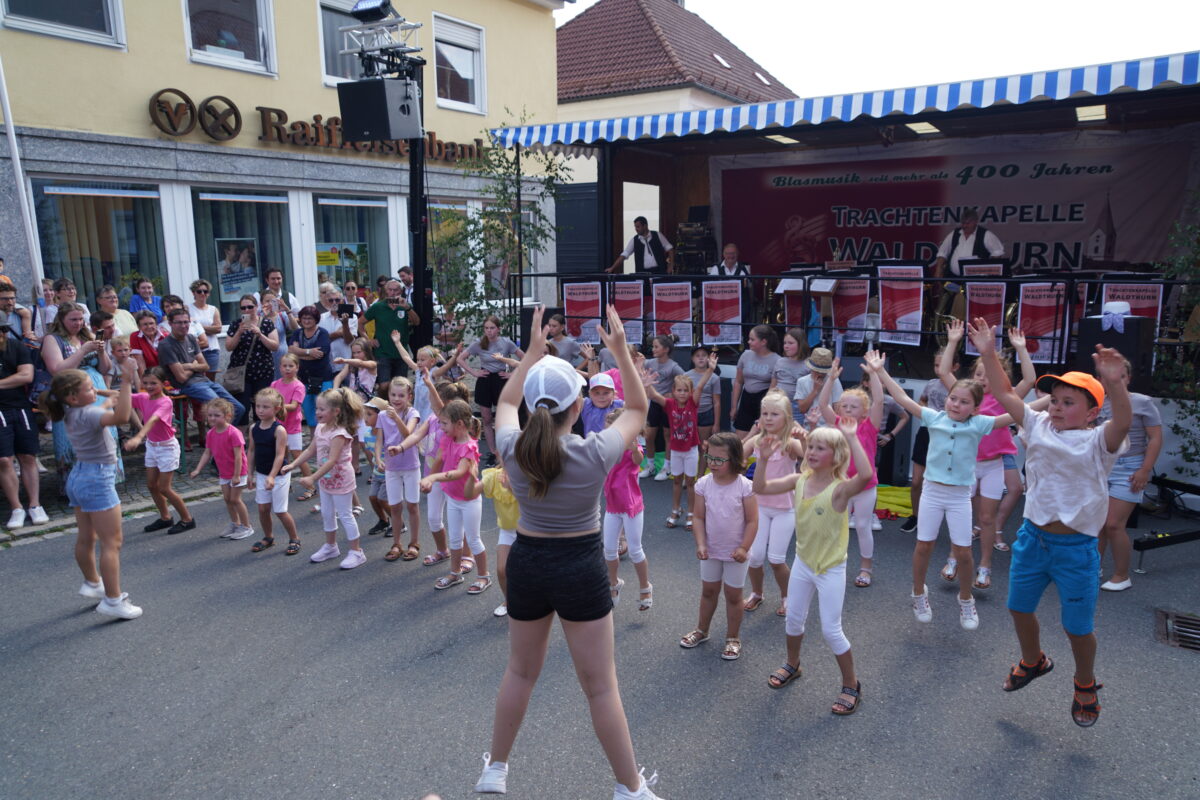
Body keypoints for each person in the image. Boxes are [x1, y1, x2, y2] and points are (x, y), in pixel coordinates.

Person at [475, 305, 662, 800]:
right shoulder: (594, 451)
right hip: (580, 564)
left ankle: (495, 770)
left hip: (529, 563)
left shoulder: (512, 448)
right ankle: (631, 789)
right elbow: (639, 411)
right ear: (578, 408)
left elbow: (506, 402)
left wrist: (533, 353)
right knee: (600, 687)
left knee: (519, 672)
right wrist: (620, 352)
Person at [971, 319, 1130, 728]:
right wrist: (989, 353)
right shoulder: (1037, 425)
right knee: (1018, 608)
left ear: (1092, 411)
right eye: (1055, 399)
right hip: (1033, 539)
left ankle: (1084, 682)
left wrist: (1114, 384)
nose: (1056, 407)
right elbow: (1006, 393)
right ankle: (1033, 660)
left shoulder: (1099, 442)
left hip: (1076, 549)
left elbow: (1123, 424)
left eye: (1068, 402)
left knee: (1077, 628)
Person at [864, 348, 1016, 632]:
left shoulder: (980, 423)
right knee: (924, 546)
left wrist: (1052, 401)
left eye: (963, 402)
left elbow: (1018, 413)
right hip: (933, 493)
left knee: (964, 553)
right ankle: (918, 594)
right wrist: (880, 370)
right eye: (953, 398)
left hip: (959, 496)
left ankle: (966, 597)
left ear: (975, 408)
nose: (955, 404)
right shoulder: (934, 418)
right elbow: (901, 397)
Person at [752, 419, 874, 715]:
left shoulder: (840, 490)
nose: (813, 451)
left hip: (831, 569)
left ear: (837, 456)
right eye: (812, 446)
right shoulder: (799, 480)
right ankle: (793, 664)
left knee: (832, 631)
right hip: (804, 564)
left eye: (822, 448)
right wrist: (764, 460)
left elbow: (867, 474)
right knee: (793, 620)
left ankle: (851, 683)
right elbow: (761, 488)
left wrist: (851, 436)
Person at [936, 320, 1035, 588]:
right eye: (978, 374)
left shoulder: (1007, 398)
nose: (982, 379)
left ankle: (985, 566)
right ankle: (954, 557)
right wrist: (954, 341)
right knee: (962, 515)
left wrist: (1021, 349)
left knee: (987, 518)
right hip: (966, 467)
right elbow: (945, 372)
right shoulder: (966, 399)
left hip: (993, 466)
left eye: (988, 374)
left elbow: (1030, 380)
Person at [41, 360, 143, 619]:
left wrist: (103, 396)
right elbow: (121, 417)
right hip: (97, 479)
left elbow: (102, 408)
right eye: (90, 387)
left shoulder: (73, 411)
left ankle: (93, 583)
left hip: (79, 477)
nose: (95, 388)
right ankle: (113, 600)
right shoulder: (89, 413)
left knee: (87, 537)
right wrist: (127, 382)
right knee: (112, 543)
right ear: (73, 396)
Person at [680, 431, 758, 662]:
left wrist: (744, 548)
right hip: (711, 550)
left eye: (719, 459)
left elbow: (753, 520)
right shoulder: (703, 484)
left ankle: (733, 638)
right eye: (709, 457)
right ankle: (701, 630)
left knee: (734, 596)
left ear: (734, 459)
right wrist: (701, 543)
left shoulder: (745, 486)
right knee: (708, 591)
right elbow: (699, 517)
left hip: (736, 553)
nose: (712, 463)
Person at [817, 359, 885, 588]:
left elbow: (879, 401)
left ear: (864, 411)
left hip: (865, 486)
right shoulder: (835, 423)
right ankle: (834, 562)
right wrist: (831, 378)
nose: (847, 409)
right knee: (836, 525)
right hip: (841, 484)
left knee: (863, 526)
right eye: (844, 406)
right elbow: (823, 402)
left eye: (853, 407)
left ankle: (866, 567)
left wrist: (874, 374)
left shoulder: (869, 425)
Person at [283, 388, 366, 569]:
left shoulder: (339, 434)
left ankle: (357, 552)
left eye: (322, 409)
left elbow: (332, 460)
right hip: (326, 479)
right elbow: (310, 450)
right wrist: (293, 464)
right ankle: (331, 547)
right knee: (327, 513)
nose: (317, 412)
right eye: (317, 408)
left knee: (345, 515)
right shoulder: (321, 428)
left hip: (341, 479)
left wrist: (312, 477)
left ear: (336, 411)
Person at [1098, 358, 1162, 592]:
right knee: (1096, 524)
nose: (1115, 380)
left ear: (1128, 378)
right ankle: (1093, 568)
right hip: (1102, 466)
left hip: (1130, 468)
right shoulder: (1098, 403)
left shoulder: (1142, 402)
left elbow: (1155, 438)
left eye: (1121, 375)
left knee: (1114, 524)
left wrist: (1144, 469)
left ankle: (1121, 575)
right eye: (1108, 376)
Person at [42, 303, 121, 485]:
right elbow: (57, 370)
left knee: (103, 432)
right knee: (76, 438)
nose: (78, 323)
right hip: (71, 391)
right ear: (61, 320)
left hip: (96, 388)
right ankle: (77, 482)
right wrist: (84, 350)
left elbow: (105, 368)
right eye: (73, 319)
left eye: (80, 319)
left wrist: (101, 352)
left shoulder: (86, 335)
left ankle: (108, 478)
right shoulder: (52, 339)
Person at [742, 389, 803, 616]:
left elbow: (810, 458)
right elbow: (737, 454)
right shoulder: (757, 440)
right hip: (759, 507)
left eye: (774, 414)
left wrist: (806, 435)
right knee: (755, 558)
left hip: (785, 509)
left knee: (776, 559)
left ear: (786, 418)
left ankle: (787, 596)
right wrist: (750, 433)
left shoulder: (790, 443)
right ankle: (757, 593)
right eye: (764, 413)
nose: (768, 418)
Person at [421, 398, 490, 593]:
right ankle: (455, 573)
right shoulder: (448, 438)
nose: (440, 426)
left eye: (444, 423)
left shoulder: (470, 447)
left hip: (469, 501)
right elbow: (441, 458)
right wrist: (430, 480)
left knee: (474, 539)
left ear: (459, 424)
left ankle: (484, 576)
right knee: (454, 539)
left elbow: (460, 473)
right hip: (453, 498)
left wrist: (433, 477)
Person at [643, 366, 715, 531]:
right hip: (675, 450)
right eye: (679, 390)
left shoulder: (693, 403)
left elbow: (701, 386)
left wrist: (710, 369)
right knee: (676, 481)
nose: (682, 393)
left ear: (690, 392)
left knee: (690, 482)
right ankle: (675, 510)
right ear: (673, 391)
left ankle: (691, 512)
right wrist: (647, 384)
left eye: (685, 390)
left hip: (690, 450)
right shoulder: (669, 404)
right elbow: (653, 395)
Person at [126, 367, 195, 535]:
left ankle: (187, 519)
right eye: (146, 383)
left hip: (167, 448)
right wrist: (95, 390)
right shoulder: (143, 397)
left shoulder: (166, 402)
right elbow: (119, 397)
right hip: (152, 446)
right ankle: (165, 517)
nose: (149, 386)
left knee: (164, 488)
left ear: (163, 384)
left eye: (153, 383)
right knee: (151, 485)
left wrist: (138, 437)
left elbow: (153, 420)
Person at [0, 282, 47, 528]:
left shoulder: (15, 346)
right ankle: (16, 508)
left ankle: (35, 504)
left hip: (19, 406)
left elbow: (26, 376)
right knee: (4, 460)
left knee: (27, 456)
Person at [899, 344, 957, 534]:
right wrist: (924, 411)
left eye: (942, 365)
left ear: (954, 366)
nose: (938, 369)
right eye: (936, 365)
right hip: (926, 432)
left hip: (946, 436)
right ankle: (915, 516)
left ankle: (934, 518)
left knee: (938, 481)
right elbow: (922, 400)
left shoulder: (958, 387)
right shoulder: (931, 383)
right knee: (916, 481)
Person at [602, 408, 652, 611]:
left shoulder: (635, 448)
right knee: (608, 549)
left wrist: (632, 448)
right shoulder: (606, 449)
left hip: (631, 506)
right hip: (612, 505)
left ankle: (645, 586)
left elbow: (639, 459)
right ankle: (614, 583)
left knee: (635, 550)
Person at [159, 308, 245, 421]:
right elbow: (181, 378)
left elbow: (205, 366)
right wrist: (195, 365)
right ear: (170, 324)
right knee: (220, 410)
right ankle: (217, 436)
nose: (183, 325)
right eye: (179, 322)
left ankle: (223, 436)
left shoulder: (191, 338)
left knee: (239, 408)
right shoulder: (166, 345)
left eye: (186, 322)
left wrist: (188, 366)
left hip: (205, 381)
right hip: (189, 386)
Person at [460, 315, 522, 468]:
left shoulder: (506, 342)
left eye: (492, 328)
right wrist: (474, 373)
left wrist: (511, 374)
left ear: (498, 329)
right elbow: (460, 359)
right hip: (485, 379)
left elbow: (524, 358)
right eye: (486, 328)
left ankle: (505, 451)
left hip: (500, 380)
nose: (489, 331)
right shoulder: (479, 343)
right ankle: (493, 452)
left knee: (502, 419)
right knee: (486, 419)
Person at [246, 387, 301, 555]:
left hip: (279, 476)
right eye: (258, 406)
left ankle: (294, 538)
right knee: (263, 509)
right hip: (262, 474)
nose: (260, 410)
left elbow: (279, 456)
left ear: (276, 409)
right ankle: (268, 537)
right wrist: (249, 473)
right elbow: (252, 451)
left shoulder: (279, 430)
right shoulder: (254, 428)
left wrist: (272, 476)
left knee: (280, 510)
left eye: (265, 407)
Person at [189, 398, 252, 540]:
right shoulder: (211, 433)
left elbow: (238, 457)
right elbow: (207, 452)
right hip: (224, 472)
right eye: (210, 415)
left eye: (217, 415)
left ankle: (246, 527)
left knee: (235, 499)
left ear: (227, 416)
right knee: (227, 499)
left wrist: (236, 475)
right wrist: (198, 469)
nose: (212, 418)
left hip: (238, 471)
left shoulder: (234, 433)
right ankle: (235, 523)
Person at [379, 376, 423, 563]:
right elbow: (380, 438)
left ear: (409, 396)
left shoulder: (413, 413)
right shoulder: (382, 415)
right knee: (395, 507)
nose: (396, 399)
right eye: (393, 395)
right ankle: (397, 543)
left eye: (401, 395)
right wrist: (376, 458)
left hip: (410, 466)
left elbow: (408, 434)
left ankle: (414, 543)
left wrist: (396, 417)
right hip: (391, 467)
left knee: (412, 505)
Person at [470, 458, 519, 618]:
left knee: (529, 572)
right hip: (507, 530)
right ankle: (508, 601)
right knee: (501, 569)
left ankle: (533, 603)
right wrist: (471, 477)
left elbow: (531, 503)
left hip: (528, 532)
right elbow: (470, 493)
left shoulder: (528, 476)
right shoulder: (494, 476)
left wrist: (511, 487)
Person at [225, 295, 280, 428]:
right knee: (241, 407)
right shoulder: (235, 324)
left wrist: (260, 334)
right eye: (243, 308)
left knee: (261, 407)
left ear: (256, 307)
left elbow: (275, 346)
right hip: (241, 373)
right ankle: (241, 441)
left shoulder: (266, 323)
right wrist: (238, 332)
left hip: (262, 371)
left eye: (250, 307)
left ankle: (259, 438)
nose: (247, 310)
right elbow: (228, 347)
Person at [638, 335, 684, 480]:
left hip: (668, 405)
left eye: (656, 346)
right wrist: (638, 364)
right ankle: (650, 466)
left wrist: (674, 393)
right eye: (653, 346)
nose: (653, 349)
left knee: (667, 436)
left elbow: (685, 381)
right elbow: (637, 373)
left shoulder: (673, 366)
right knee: (649, 436)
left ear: (665, 349)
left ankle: (666, 467)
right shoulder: (649, 362)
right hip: (653, 404)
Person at [270, 353, 312, 499]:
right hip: (279, 426)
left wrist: (275, 406)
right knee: (281, 455)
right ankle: (285, 485)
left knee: (297, 456)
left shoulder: (298, 386)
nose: (287, 369)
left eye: (291, 366)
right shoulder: (275, 384)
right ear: (280, 367)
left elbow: (294, 406)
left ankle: (311, 485)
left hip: (292, 426)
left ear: (297, 367)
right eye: (284, 366)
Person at [365, 279, 419, 384]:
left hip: (401, 353)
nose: (393, 292)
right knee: (384, 385)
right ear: (386, 290)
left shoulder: (405, 305)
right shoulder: (378, 306)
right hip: (382, 352)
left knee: (400, 385)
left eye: (396, 290)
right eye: (390, 290)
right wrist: (369, 340)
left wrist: (408, 308)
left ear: (401, 291)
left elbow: (417, 322)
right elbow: (360, 323)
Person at [731, 324, 780, 439]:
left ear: (763, 342)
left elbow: (773, 389)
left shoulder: (777, 360)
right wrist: (734, 406)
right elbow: (738, 382)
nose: (749, 342)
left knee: (760, 439)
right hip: (746, 398)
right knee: (740, 439)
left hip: (763, 399)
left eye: (752, 339)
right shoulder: (746, 355)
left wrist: (766, 409)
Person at [288, 305, 333, 429]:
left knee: (324, 412)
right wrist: (308, 352)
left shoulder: (322, 333)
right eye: (304, 318)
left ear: (316, 319)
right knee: (310, 414)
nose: (306, 321)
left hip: (322, 378)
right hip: (304, 378)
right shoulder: (298, 332)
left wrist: (299, 352)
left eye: (310, 318)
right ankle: (314, 444)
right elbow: (291, 350)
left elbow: (319, 354)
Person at [932, 207, 1005, 281]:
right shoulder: (955, 233)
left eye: (968, 223)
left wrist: (987, 270)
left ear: (975, 222)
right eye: (963, 223)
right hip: (953, 278)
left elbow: (997, 252)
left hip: (975, 280)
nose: (964, 226)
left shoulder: (986, 235)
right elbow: (942, 252)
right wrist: (938, 269)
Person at [361, 397, 392, 536]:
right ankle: (383, 521)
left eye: (369, 414)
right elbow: (372, 455)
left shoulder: (388, 434)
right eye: (364, 413)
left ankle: (398, 523)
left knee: (383, 499)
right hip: (376, 473)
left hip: (388, 473)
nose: (365, 417)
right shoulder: (367, 434)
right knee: (373, 497)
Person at [607, 216, 674, 275]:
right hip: (642, 273)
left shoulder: (657, 235)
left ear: (645, 226)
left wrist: (670, 265)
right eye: (635, 227)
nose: (636, 229)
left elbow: (670, 249)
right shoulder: (634, 240)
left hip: (660, 272)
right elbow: (624, 255)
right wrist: (612, 268)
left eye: (638, 227)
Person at [794, 348, 842, 430]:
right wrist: (815, 391)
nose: (820, 373)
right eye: (817, 370)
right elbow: (802, 409)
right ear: (811, 368)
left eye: (823, 371)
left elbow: (838, 409)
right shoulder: (802, 381)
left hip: (829, 428)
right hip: (809, 427)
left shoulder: (834, 380)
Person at [770, 328, 811, 423]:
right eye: (785, 343)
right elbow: (772, 385)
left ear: (801, 344)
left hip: (797, 408)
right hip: (777, 404)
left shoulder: (808, 364)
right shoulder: (780, 361)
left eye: (790, 343)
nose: (786, 346)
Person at [685, 345, 721, 447]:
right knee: (689, 446)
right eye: (697, 355)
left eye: (704, 355)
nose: (700, 358)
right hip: (689, 414)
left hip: (706, 413)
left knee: (703, 447)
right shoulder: (686, 376)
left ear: (709, 358)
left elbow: (717, 402)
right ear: (692, 359)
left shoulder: (715, 378)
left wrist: (716, 424)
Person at [188, 279, 224, 373]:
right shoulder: (188, 309)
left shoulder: (213, 309)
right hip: (194, 349)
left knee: (211, 377)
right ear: (193, 293)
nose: (202, 293)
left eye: (205, 291)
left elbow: (218, 329)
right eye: (199, 291)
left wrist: (197, 326)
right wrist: (209, 329)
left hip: (212, 349)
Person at [317, 282, 357, 362]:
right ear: (326, 301)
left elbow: (349, 341)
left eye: (337, 300)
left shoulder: (352, 316)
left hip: (345, 362)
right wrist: (339, 333)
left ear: (342, 301)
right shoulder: (321, 317)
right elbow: (320, 340)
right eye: (331, 300)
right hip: (327, 362)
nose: (334, 302)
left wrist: (345, 325)